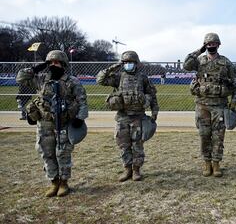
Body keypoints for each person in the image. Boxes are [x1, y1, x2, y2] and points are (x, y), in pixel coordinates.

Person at [16, 50, 88, 197]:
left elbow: (82, 101)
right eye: (51, 62)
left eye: (57, 62)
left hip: (64, 122)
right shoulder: (41, 79)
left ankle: (64, 183)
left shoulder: (72, 81)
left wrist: (80, 118)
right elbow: (21, 78)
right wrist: (37, 68)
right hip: (44, 123)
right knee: (47, 153)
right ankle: (53, 182)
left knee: (62, 153)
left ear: (63, 64)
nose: (54, 65)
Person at [183, 33, 236, 177]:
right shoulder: (199, 61)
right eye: (208, 44)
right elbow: (186, 65)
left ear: (218, 45)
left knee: (218, 136)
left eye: (214, 43)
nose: (211, 46)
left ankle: (216, 164)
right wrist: (198, 51)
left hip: (220, 106)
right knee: (204, 135)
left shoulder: (225, 62)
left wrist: (233, 103)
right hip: (202, 105)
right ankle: (206, 162)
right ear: (205, 45)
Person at [96, 51, 159, 182]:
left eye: (130, 62)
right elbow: (100, 79)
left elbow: (152, 95)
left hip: (138, 117)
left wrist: (154, 112)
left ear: (136, 64)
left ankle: (136, 170)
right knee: (123, 145)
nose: (128, 65)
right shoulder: (119, 77)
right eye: (125, 63)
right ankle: (127, 169)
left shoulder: (143, 78)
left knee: (137, 145)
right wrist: (115, 66)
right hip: (122, 117)